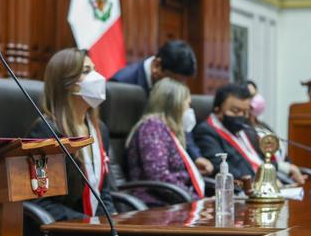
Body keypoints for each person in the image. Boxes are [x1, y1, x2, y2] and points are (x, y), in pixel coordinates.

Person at [27, 48, 117, 221]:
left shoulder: (100, 131)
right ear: (66, 83)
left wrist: (113, 225)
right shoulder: (46, 132)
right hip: (63, 229)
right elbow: (41, 201)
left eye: (95, 69)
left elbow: (104, 193)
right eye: (86, 71)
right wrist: (88, 224)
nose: (97, 77)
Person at [111, 40, 213, 177]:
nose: (177, 86)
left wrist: (195, 157)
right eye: (174, 80)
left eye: (182, 82)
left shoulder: (171, 82)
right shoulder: (122, 84)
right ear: (157, 65)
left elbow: (179, 120)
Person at [125, 78, 205, 206]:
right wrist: (194, 198)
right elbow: (159, 176)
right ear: (175, 104)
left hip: (177, 201)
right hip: (157, 205)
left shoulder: (168, 129)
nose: (190, 110)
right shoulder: (152, 128)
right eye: (187, 105)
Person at [193, 83, 262, 179]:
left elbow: (257, 159)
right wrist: (256, 183)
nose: (241, 116)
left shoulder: (243, 130)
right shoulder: (206, 132)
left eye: (245, 112)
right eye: (235, 111)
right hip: (239, 189)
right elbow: (221, 169)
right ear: (217, 109)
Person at [246, 81, 305, 184]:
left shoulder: (262, 125)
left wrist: (291, 172)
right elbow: (257, 161)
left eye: (255, 94)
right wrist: (287, 168)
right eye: (250, 96)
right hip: (267, 181)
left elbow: (279, 149)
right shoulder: (243, 130)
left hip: (284, 178)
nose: (256, 99)